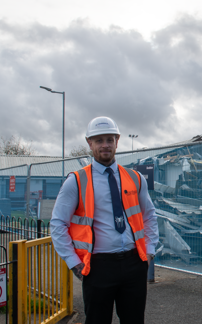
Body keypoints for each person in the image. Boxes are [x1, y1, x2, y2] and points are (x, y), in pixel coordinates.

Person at [50, 116, 159, 324]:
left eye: (109, 139)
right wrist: (74, 263)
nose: (105, 145)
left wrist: (150, 250)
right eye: (99, 140)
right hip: (98, 266)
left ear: (117, 141)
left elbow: (149, 216)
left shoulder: (135, 178)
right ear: (89, 143)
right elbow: (57, 224)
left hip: (133, 263)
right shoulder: (76, 181)